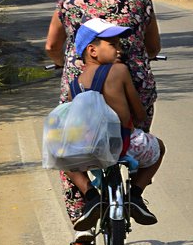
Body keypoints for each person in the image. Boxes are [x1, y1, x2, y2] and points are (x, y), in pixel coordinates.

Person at [45, 0, 161, 245]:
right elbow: (153, 47)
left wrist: (62, 65)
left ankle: (83, 219)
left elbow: (53, 46)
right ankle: (135, 193)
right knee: (135, 134)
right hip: (134, 83)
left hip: (79, 85)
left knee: (70, 144)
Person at [65, 17, 165, 233]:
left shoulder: (75, 84)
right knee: (160, 147)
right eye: (113, 44)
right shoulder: (119, 71)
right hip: (125, 146)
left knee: (64, 157)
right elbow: (138, 114)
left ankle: (91, 197)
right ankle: (135, 196)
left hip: (90, 151)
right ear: (92, 50)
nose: (119, 49)